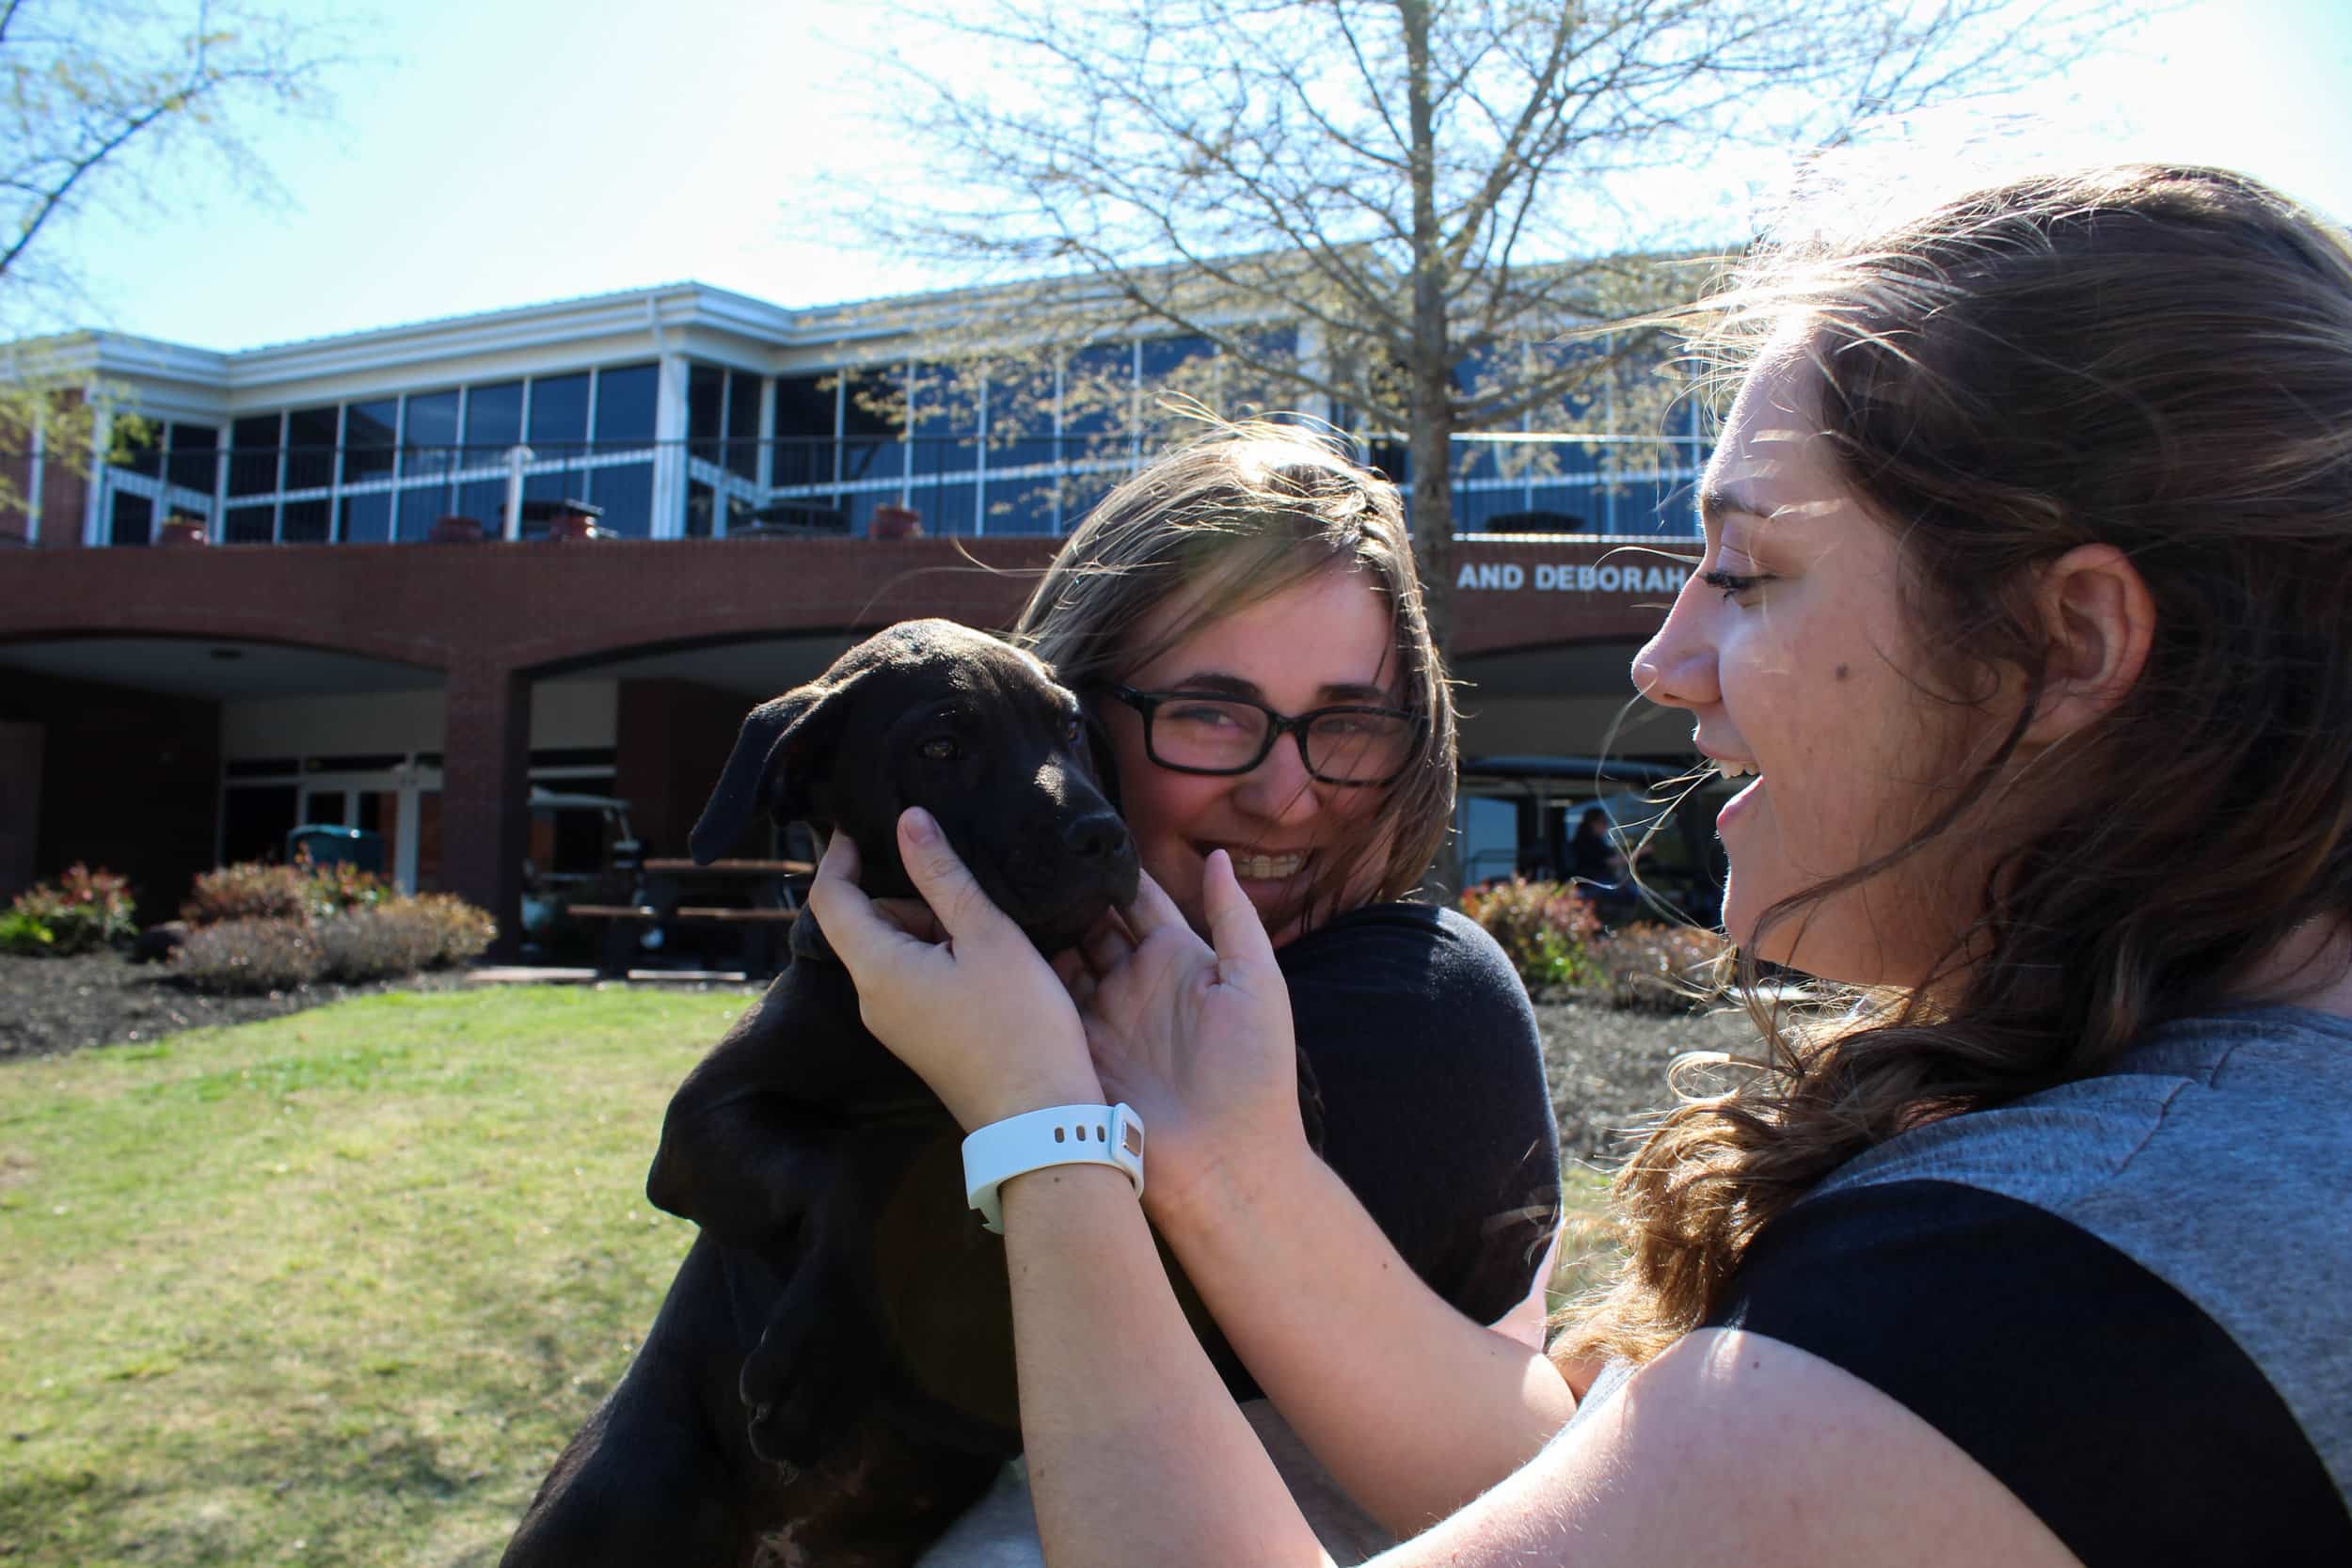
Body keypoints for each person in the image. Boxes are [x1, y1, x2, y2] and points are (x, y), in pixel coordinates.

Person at [813, 162, 2352, 1566]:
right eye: (1209, 711)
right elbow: (1569, 1484)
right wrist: (1212, 1157)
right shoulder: (2228, 1153)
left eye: (1747, 573)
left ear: (2069, 643)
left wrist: (1046, 1133)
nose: (1669, 655)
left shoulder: (2042, 1284)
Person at [914, 424, 1567, 1562]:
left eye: (1348, 722)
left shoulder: (1408, 1008)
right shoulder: (903, 1016)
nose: (1286, 793)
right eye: (1210, 712)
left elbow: (1527, 1485)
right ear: (1070, 716)